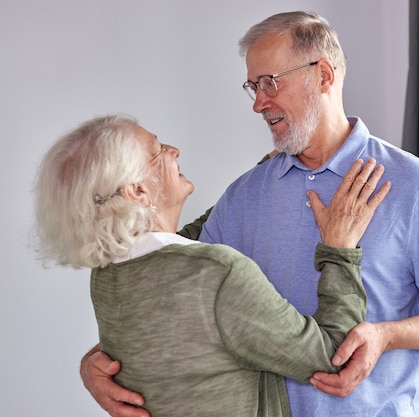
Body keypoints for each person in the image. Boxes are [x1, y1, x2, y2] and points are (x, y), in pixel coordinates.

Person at [81, 10, 419, 417]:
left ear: (324, 76)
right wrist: (98, 361)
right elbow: (173, 288)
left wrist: (387, 336)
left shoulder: (411, 184)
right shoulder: (245, 193)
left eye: (270, 83)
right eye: (253, 86)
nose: (259, 103)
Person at [34, 114, 391, 417]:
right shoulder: (217, 274)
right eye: (158, 151)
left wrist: (261, 174)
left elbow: (186, 242)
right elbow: (334, 356)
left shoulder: (109, 276)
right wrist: (340, 249)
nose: (174, 151)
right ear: (138, 192)